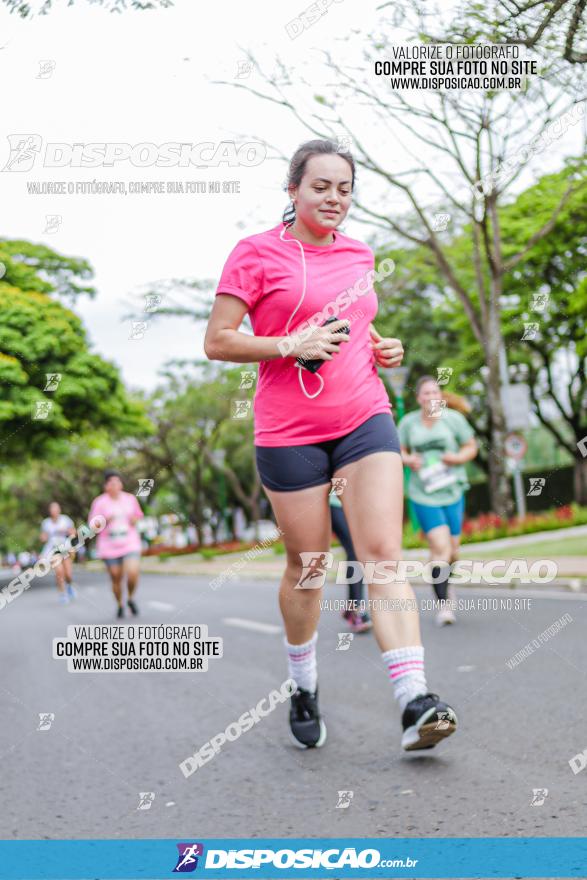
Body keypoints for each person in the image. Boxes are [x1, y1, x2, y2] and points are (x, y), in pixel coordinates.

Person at [204, 138, 458, 752]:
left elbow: (358, 323)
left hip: (365, 415)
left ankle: (414, 700)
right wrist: (291, 343)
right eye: (321, 187)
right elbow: (219, 340)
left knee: (381, 553)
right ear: (292, 190)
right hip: (290, 431)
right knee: (310, 569)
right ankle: (303, 683)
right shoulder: (257, 253)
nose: (334, 199)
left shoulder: (359, 252)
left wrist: (384, 346)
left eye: (344, 189)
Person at [399, 376, 478, 626]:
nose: (431, 397)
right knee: (439, 546)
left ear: (441, 396)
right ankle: (444, 605)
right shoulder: (408, 423)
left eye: (435, 392)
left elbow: (470, 447)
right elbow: (397, 449)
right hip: (423, 493)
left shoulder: (453, 420)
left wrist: (456, 458)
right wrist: (409, 460)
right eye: (425, 393)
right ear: (418, 398)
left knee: (453, 550)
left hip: (452, 490)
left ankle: (445, 583)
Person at [88, 471, 144, 618]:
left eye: (118, 482)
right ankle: (120, 604)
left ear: (121, 484)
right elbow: (93, 526)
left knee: (132, 573)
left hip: (130, 542)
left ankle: (130, 598)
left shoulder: (130, 499)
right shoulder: (99, 502)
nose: (115, 486)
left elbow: (138, 516)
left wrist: (134, 520)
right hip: (109, 545)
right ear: (106, 486)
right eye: (111, 483)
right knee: (116, 577)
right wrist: (106, 519)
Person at [329, 492, 372, 633]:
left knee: (357, 552)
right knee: (354, 549)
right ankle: (357, 609)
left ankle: (352, 608)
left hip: (358, 501)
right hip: (333, 500)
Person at [39, 502, 77, 604]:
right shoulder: (46, 523)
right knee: (59, 572)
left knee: (68, 574)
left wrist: (67, 531)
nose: (54, 511)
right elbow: (43, 537)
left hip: (65, 549)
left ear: (59, 510)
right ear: (50, 511)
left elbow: (73, 532)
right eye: (52, 509)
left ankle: (69, 586)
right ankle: (62, 593)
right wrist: (44, 537)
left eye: (56, 509)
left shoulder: (65, 519)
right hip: (53, 550)